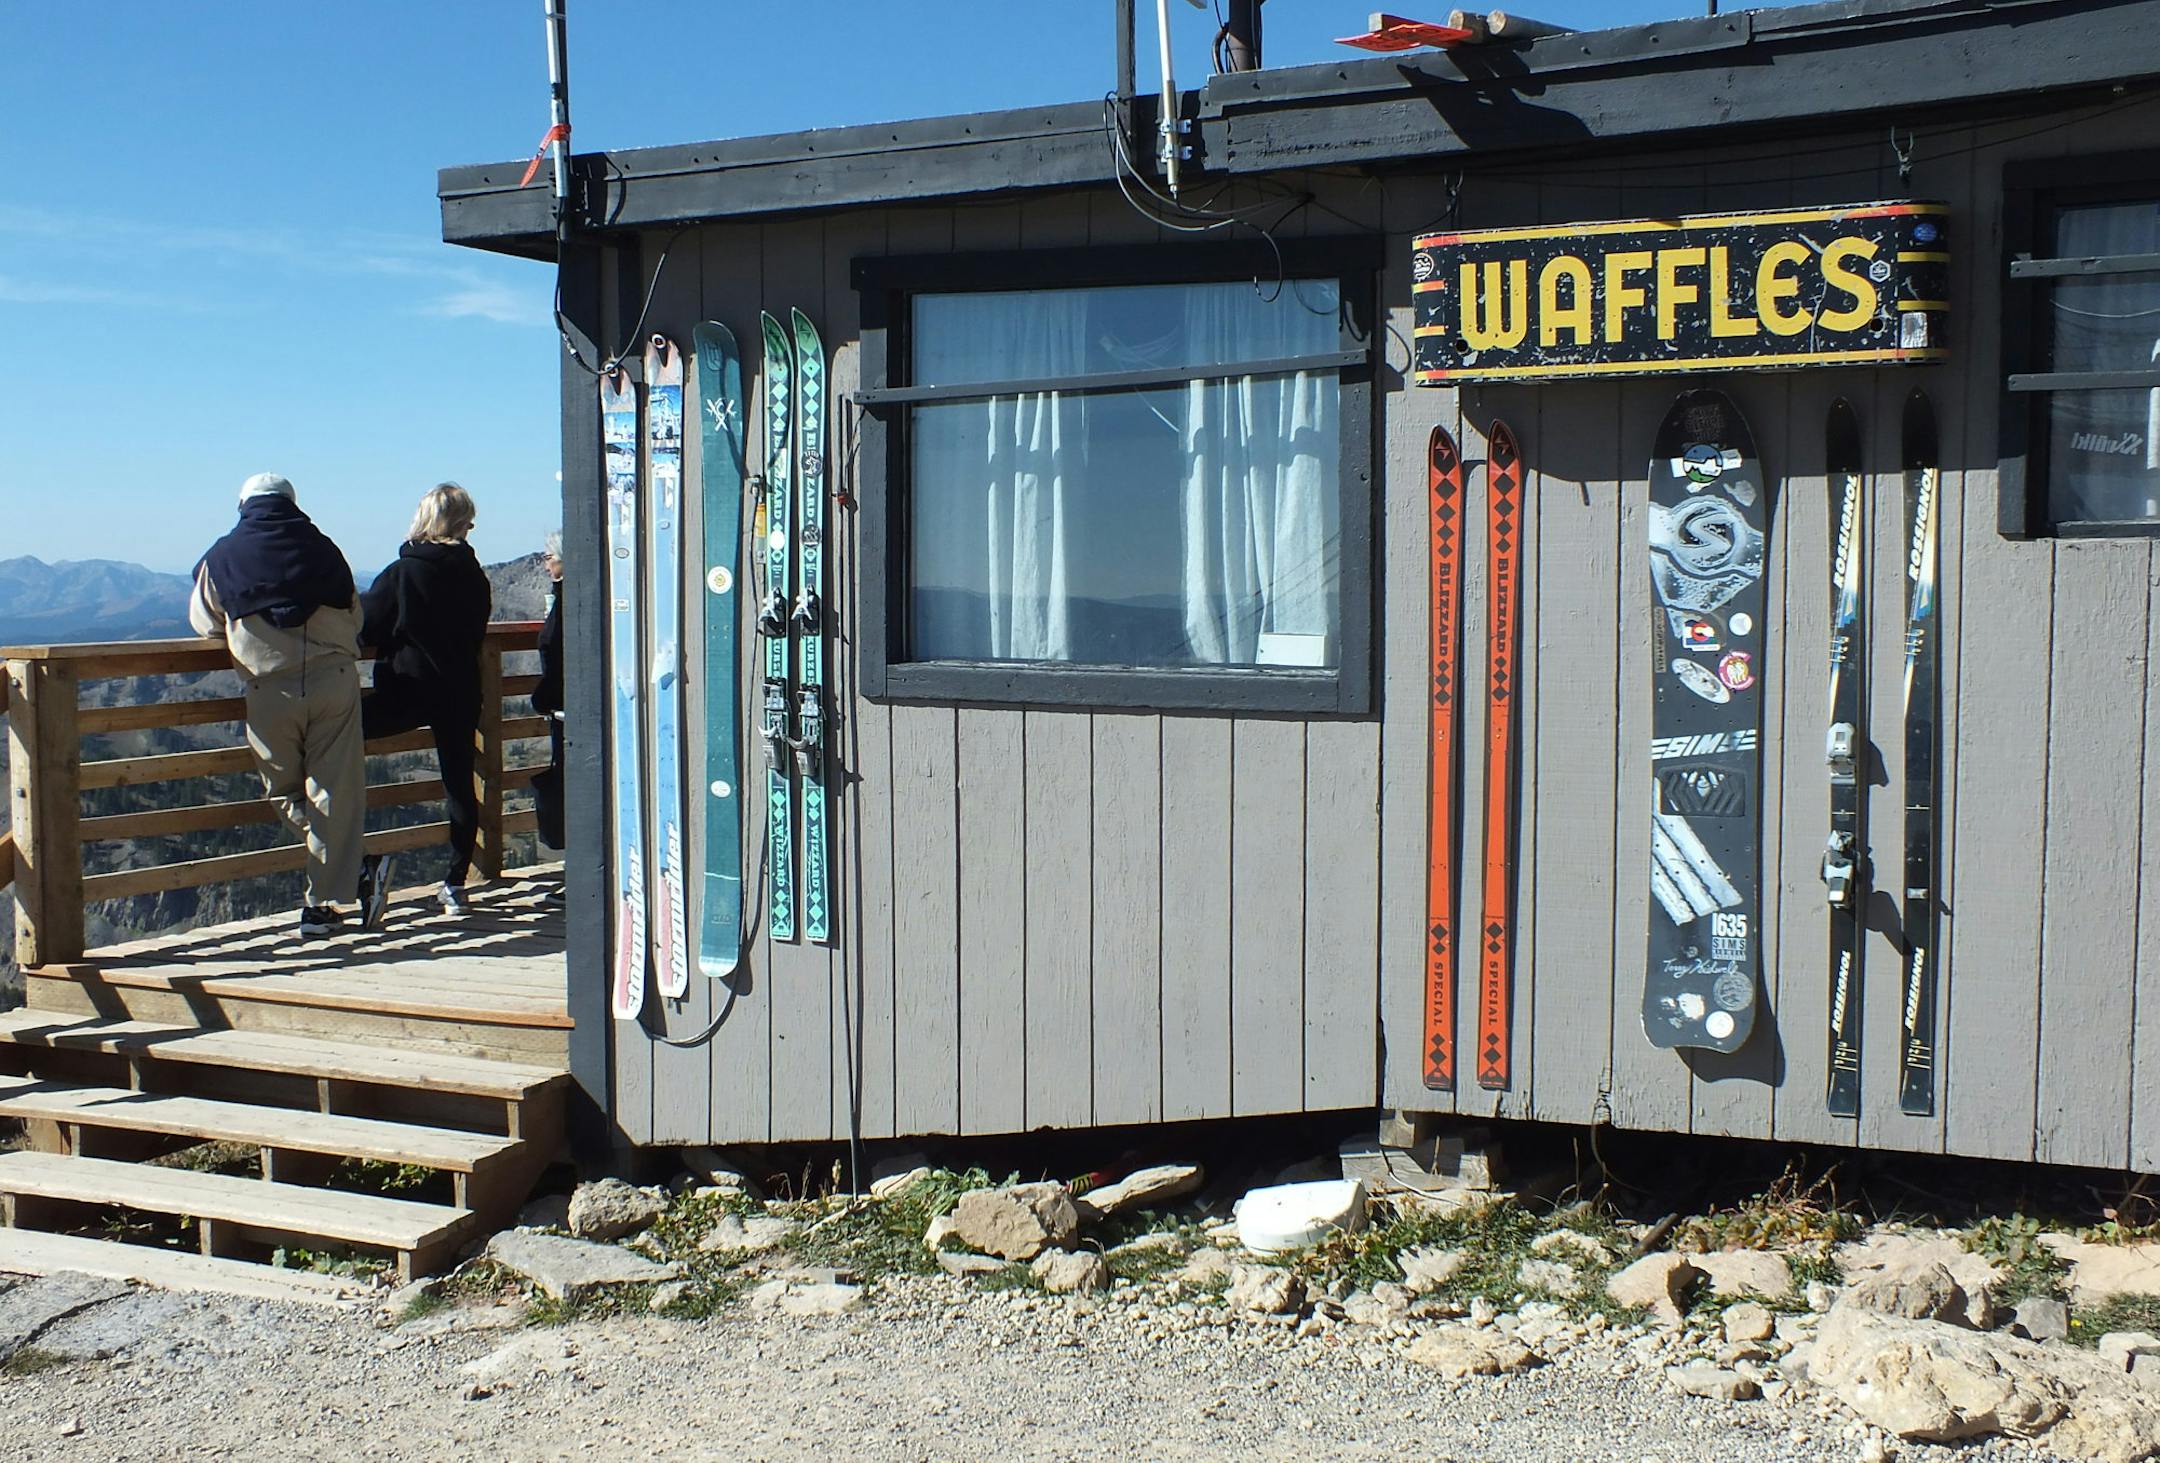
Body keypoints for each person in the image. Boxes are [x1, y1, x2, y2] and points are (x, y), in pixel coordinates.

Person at [190, 473, 387, 938]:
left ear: (243, 505)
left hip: (267, 685)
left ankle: (328, 898)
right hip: (334, 680)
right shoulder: (326, 550)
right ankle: (337, 886)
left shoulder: (222, 556)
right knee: (333, 791)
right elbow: (355, 616)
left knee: (280, 790)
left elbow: (204, 623)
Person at [361, 483, 493, 915]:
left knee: (334, 734)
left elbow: (366, 627)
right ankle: (455, 881)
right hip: (459, 690)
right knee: (460, 784)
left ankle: (351, 860)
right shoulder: (473, 573)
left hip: (408, 689)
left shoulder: (404, 572)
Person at [529, 532, 566, 861]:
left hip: (565, 713)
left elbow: (557, 654)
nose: (544, 565)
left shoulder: (567, 602)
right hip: (561, 710)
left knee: (567, 789)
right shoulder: (566, 598)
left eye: (547, 557)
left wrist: (542, 697)